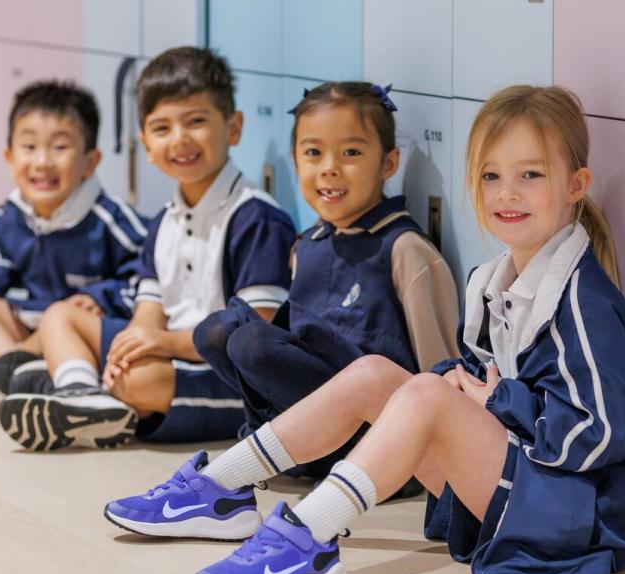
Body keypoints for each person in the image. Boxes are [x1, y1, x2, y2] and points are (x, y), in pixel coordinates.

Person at [104, 85, 625, 574]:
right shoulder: (493, 279)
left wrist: (494, 402)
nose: (508, 194)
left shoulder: (582, 300)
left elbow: (612, 429)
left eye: (532, 176)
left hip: (575, 518)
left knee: (423, 393)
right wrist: (463, 384)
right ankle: (220, 490)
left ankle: (309, 537)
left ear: (576, 186)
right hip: (518, 484)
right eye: (491, 177)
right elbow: (484, 379)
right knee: (378, 373)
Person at [0, 47, 295, 451]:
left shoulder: (256, 219)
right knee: (60, 316)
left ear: (234, 127)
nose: (180, 139)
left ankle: (80, 382)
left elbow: (256, 337)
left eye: (196, 121)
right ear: (146, 145)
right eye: (162, 128)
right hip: (171, 353)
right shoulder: (164, 221)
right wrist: (131, 345)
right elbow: (147, 313)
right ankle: (84, 396)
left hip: (232, 375)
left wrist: (161, 346)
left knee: (138, 379)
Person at [192, 81, 459, 480]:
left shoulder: (404, 248)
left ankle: (280, 450)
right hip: (312, 419)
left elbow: (441, 370)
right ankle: (281, 444)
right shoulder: (308, 244)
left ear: (388, 164)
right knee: (217, 330)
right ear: (296, 160)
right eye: (313, 152)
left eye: (351, 152)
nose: (329, 167)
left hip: (376, 437)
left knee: (251, 341)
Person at [0, 80, 146, 393]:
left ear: (90, 163)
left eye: (60, 147)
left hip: (78, 331)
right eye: (29, 147)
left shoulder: (112, 221)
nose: (42, 162)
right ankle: (15, 366)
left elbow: (147, 279)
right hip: (27, 325)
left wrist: (100, 297)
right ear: (9, 158)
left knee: (63, 320)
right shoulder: (4, 218)